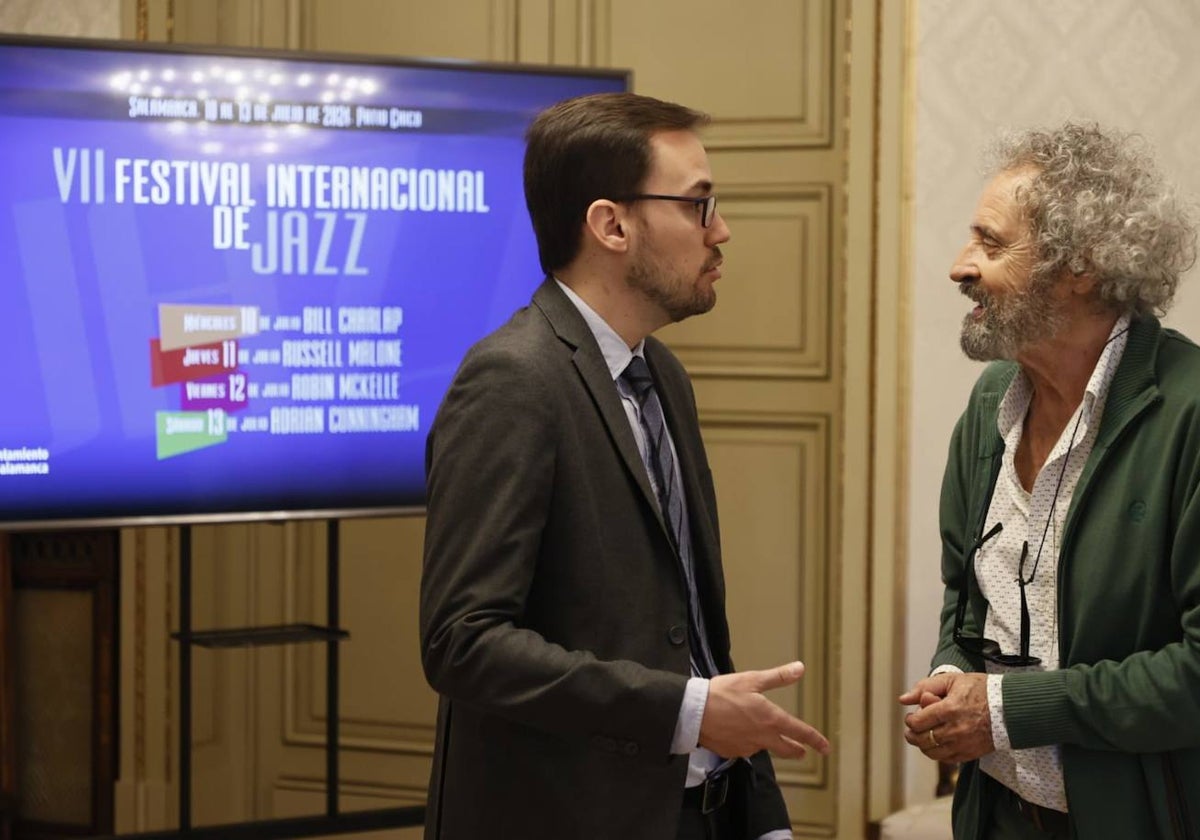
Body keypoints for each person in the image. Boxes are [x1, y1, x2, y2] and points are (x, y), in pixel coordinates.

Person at [419, 92, 830, 840]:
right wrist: (688, 711)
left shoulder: (662, 374)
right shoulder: (513, 379)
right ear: (611, 225)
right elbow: (464, 642)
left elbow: (696, 629)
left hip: (698, 814)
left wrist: (762, 819)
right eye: (698, 205)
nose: (722, 231)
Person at [899, 121, 1200, 839]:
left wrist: (1004, 711)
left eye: (991, 244)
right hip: (995, 813)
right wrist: (951, 680)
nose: (959, 266)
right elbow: (966, 603)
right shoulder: (990, 403)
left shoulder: (1188, 415)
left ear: (1082, 265)